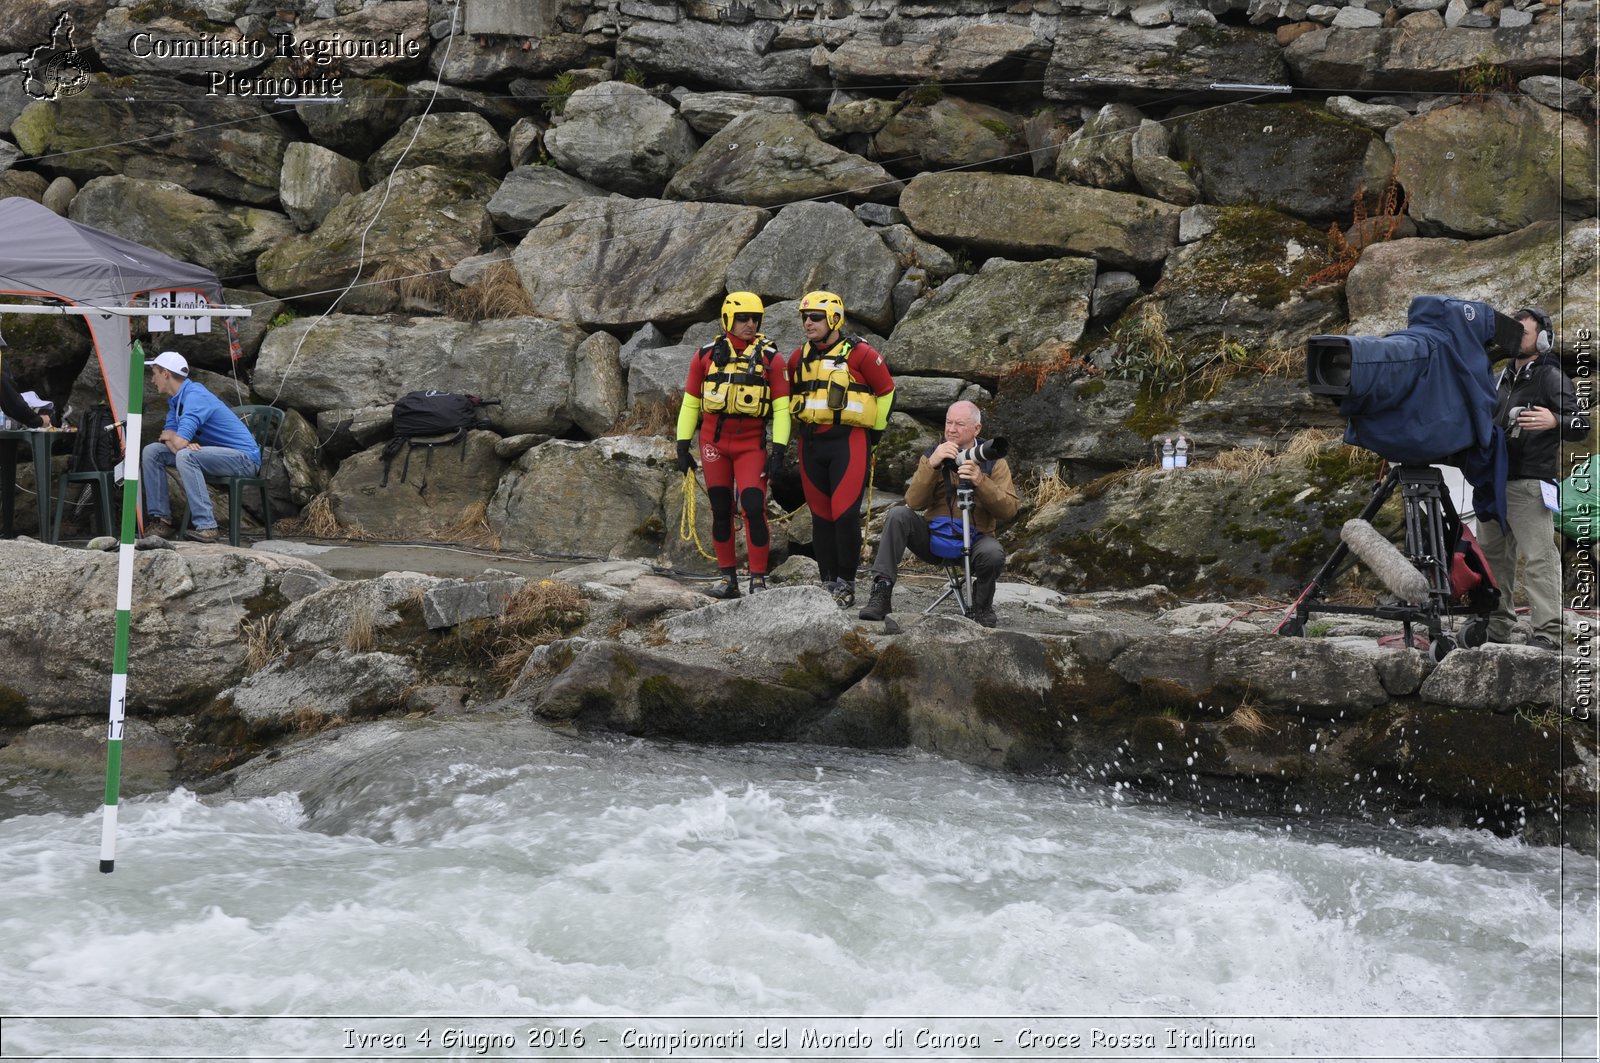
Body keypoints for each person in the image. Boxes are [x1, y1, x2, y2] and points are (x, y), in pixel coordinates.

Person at [1477, 307, 1590, 652]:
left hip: (1530, 482)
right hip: (1493, 482)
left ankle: (1549, 632)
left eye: (1522, 332)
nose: (1515, 339)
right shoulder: (1498, 377)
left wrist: (1555, 421)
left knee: (1540, 558)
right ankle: (1496, 627)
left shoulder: (1551, 377)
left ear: (1542, 338)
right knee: (1492, 558)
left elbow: (1582, 424)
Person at [859, 400, 1018, 628]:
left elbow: (1008, 510)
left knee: (993, 552)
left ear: (977, 429)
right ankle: (881, 594)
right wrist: (931, 465)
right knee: (897, 516)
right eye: (948, 422)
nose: (951, 429)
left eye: (959, 424)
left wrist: (980, 481)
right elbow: (913, 502)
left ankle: (982, 607)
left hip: (976, 540)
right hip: (934, 537)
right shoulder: (934, 453)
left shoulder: (993, 460)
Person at [675, 292, 790, 598]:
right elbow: (690, 404)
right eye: (743, 318)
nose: (750, 324)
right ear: (727, 319)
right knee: (720, 509)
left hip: (751, 444)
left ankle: (758, 580)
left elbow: (781, 408)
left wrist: (778, 450)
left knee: (753, 507)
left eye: (755, 319)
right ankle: (728, 580)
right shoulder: (705, 356)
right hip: (713, 444)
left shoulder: (771, 359)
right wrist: (682, 445)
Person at [786, 290, 895, 607]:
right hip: (811, 444)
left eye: (816, 317)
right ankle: (827, 583)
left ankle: (846, 584)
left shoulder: (860, 354)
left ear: (834, 318)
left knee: (844, 516)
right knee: (820, 518)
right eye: (805, 316)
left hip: (848, 442)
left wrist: (875, 437)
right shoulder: (798, 357)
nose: (808, 322)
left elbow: (887, 393)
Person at [140, 351, 260, 543]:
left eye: (154, 373)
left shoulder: (195, 396)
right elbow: (167, 440)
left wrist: (179, 442)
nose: (152, 380)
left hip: (243, 459)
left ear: (165, 374)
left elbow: (176, 442)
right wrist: (178, 442)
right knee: (152, 451)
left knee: (186, 456)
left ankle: (207, 526)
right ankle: (162, 521)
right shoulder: (175, 401)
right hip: (214, 456)